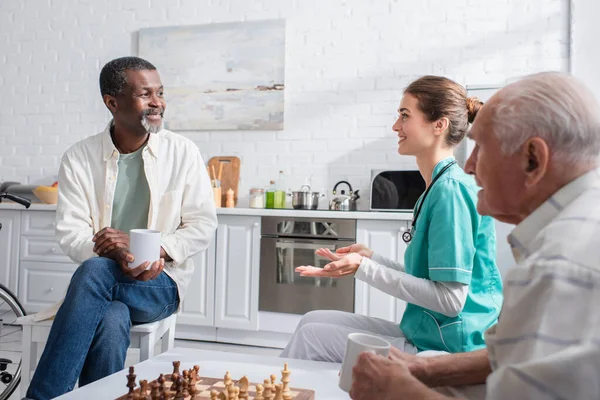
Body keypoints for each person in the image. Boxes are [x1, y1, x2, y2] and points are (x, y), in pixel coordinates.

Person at [349, 71, 600, 400]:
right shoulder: (575, 228)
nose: (469, 166)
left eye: (481, 147)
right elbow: (512, 356)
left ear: (533, 159)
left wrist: (400, 389)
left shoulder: (557, 267)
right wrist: (420, 370)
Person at [25, 56, 218, 399]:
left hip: (160, 283)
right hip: (107, 283)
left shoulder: (183, 152)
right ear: (112, 103)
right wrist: (115, 252)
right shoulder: (79, 157)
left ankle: (41, 397)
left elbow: (203, 225)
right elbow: (71, 232)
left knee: (95, 272)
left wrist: (149, 250)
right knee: (112, 317)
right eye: (146, 94)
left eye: (160, 93)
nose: (158, 102)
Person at [281, 76, 503, 362]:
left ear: (439, 125)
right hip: (431, 333)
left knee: (312, 337)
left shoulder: (450, 191)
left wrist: (363, 267)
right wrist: (370, 259)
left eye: (404, 116)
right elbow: (428, 280)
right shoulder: (437, 188)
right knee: (312, 320)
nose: (395, 126)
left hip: (450, 347)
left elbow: (450, 300)